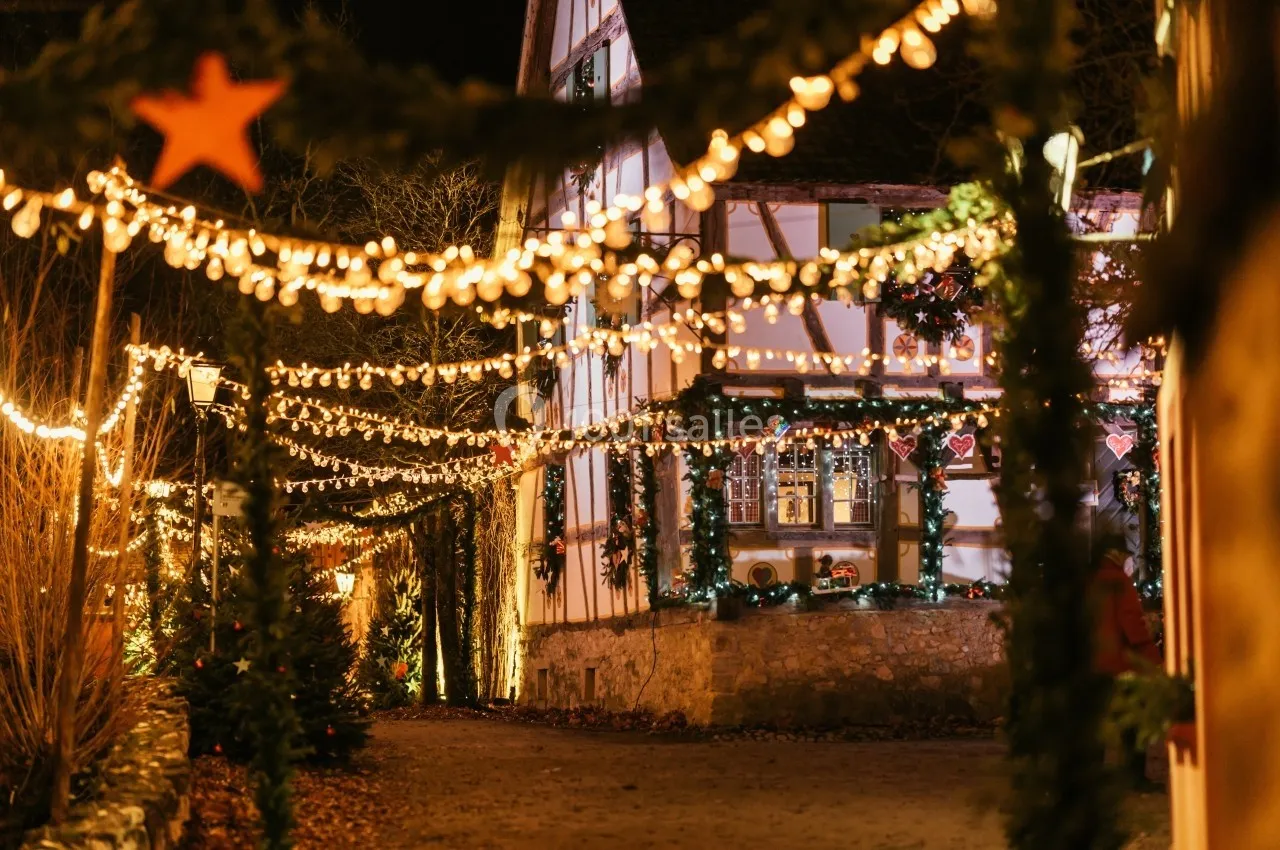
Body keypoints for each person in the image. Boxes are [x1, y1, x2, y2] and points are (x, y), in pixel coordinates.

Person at [1092, 545, 1161, 787]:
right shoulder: (1119, 581)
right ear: (1117, 554)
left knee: (1096, 720)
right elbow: (1131, 622)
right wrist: (1151, 655)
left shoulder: (1088, 581)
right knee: (1133, 720)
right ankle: (1133, 775)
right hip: (1121, 663)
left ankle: (1092, 774)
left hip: (1094, 662)